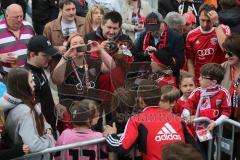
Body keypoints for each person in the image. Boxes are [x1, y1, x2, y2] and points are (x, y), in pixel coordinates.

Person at [104, 80, 199, 160]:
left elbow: (123, 147)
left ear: (140, 101)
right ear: (159, 98)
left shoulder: (136, 120)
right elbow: (196, 149)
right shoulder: (178, 119)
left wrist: (110, 135)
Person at [51, 32, 116, 131]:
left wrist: (100, 50)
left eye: (81, 42)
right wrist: (65, 57)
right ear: (69, 48)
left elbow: (112, 67)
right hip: (75, 116)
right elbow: (56, 79)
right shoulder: (65, 64)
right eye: (74, 44)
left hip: (93, 114)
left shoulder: (92, 61)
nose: (79, 45)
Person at [2, 68, 55, 160]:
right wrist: (49, 137)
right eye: (31, 82)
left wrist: (46, 128)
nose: (34, 84)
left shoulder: (6, 104)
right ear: (23, 86)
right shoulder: (26, 112)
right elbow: (34, 146)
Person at [181, 63, 231, 159]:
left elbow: (226, 112)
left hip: (214, 131)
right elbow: (187, 106)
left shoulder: (223, 93)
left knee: (210, 152)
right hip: (198, 130)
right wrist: (187, 116)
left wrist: (215, 123)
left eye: (202, 77)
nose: (199, 79)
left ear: (213, 82)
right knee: (199, 153)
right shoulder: (198, 91)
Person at [186, 3, 230, 86]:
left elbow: (225, 48)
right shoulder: (191, 35)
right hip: (202, 79)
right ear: (198, 17)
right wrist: (192, 80)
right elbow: (190, 60)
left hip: (221, 78)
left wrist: (216, 24)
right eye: (202, 20)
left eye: (209, 21)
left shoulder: (223, 29)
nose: (205, 24)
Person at [134, 11, 184, 83]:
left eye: (155, 28)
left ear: (162, 23)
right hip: (147, 77)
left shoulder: (176, 37)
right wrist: (144, 54)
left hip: (168, 78)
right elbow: (135, 54)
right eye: (150, 29)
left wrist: (158, 54)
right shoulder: (144, 35)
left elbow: (179, 62)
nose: (153, 32)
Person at [25, 35, 58, 138]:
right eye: (45, 55)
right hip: (43, 131)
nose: (50, 58)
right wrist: (46, 129)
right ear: (32, 55)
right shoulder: (30, 77)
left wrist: (54, 104)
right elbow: (36, 110)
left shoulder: (39, 67)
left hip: (50, 124)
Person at [43, 0, 85, 72]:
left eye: (73, 9)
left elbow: (90, 41)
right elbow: (44, 49)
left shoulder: (84, 22)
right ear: (61, 10)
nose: (71, 12)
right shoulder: (49, 27)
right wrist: (58, 50)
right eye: (68, 10)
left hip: (81, 66)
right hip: (59, 66)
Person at [221, 34, 240, 160]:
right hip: (227, 122)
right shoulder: (224, 67)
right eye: (225, 53)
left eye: (230, 53)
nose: (226, 56)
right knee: (225, 155)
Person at [0, 3, 35, 72]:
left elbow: (35, 47)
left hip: (28, 73)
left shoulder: (28, 26)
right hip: (7, 76)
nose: (19, 20)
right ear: (7, 16)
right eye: (16, 17)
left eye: (21, 16)